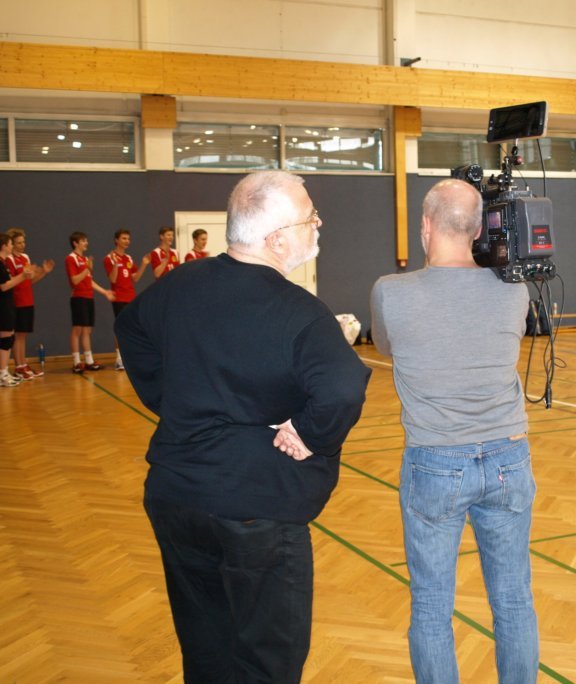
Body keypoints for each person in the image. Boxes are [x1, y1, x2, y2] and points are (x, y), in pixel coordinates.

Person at [115, 171, 370, 683]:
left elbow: (131, 329)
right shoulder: (302, 312)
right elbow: (344, 387)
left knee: (206, 649)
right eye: (310, 217)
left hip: (178, 495)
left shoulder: (181, 284)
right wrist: (309, 433)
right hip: (257, 509)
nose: (319, 224)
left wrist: (168, 399)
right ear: (276, 240)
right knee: (267, 662)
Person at [370, 179, 538, 683]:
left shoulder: (390, 291)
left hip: (435, 461)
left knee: (431, 605)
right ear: (478, 229)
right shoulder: (515, 291)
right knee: (514, 600)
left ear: (426, 226)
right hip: (509, 458)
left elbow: (385, 346)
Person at [5, 227, 54, 379]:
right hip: (16, 301)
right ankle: (18, 366)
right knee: (17, 335)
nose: (22, 245)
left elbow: (30, 281)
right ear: (12, 244)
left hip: (28, 300)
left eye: (23, 242)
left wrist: (43, 271)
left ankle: (23, 364)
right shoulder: (9, 259)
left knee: (23, 335)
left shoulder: (25, 257)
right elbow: (12, 282)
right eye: (19, 242)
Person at [66, 231, 115, 373]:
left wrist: (104, 292)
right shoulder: (71, 258)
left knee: (87, 330)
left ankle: (89, 360)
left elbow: (89, 281)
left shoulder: (84, 259)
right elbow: (75, 280)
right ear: (75, 243)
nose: (86, 243)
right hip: (78, 297)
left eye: (86, 240)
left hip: (89, 297)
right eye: (83, 241)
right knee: (77, 329)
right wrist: (86, 269)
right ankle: (76, 362)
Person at [0, 233, 37, 386]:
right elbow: (4, 286)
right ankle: (2, 374)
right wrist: (23, 276)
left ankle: (5, 373)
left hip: (7, 303)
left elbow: (10, 281)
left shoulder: (2, 262)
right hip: (1, 305)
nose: (12, 246)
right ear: (4, 246)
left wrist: (26, 275)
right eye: (11, 244)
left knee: (9, 338)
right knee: (6, 340)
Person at [104, 229, 150, 370]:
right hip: (119, 298)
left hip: (131, 297)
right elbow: (112, 279)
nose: (127, 241)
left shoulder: (128, 258)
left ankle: (131, 357)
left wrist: (144, 264)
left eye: (128, 239)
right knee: (120, 327)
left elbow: (135, 278)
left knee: (133, 327)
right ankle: (119, 359)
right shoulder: (109, 258)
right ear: (116, 240)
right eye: (124, 238)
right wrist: (115, 264)